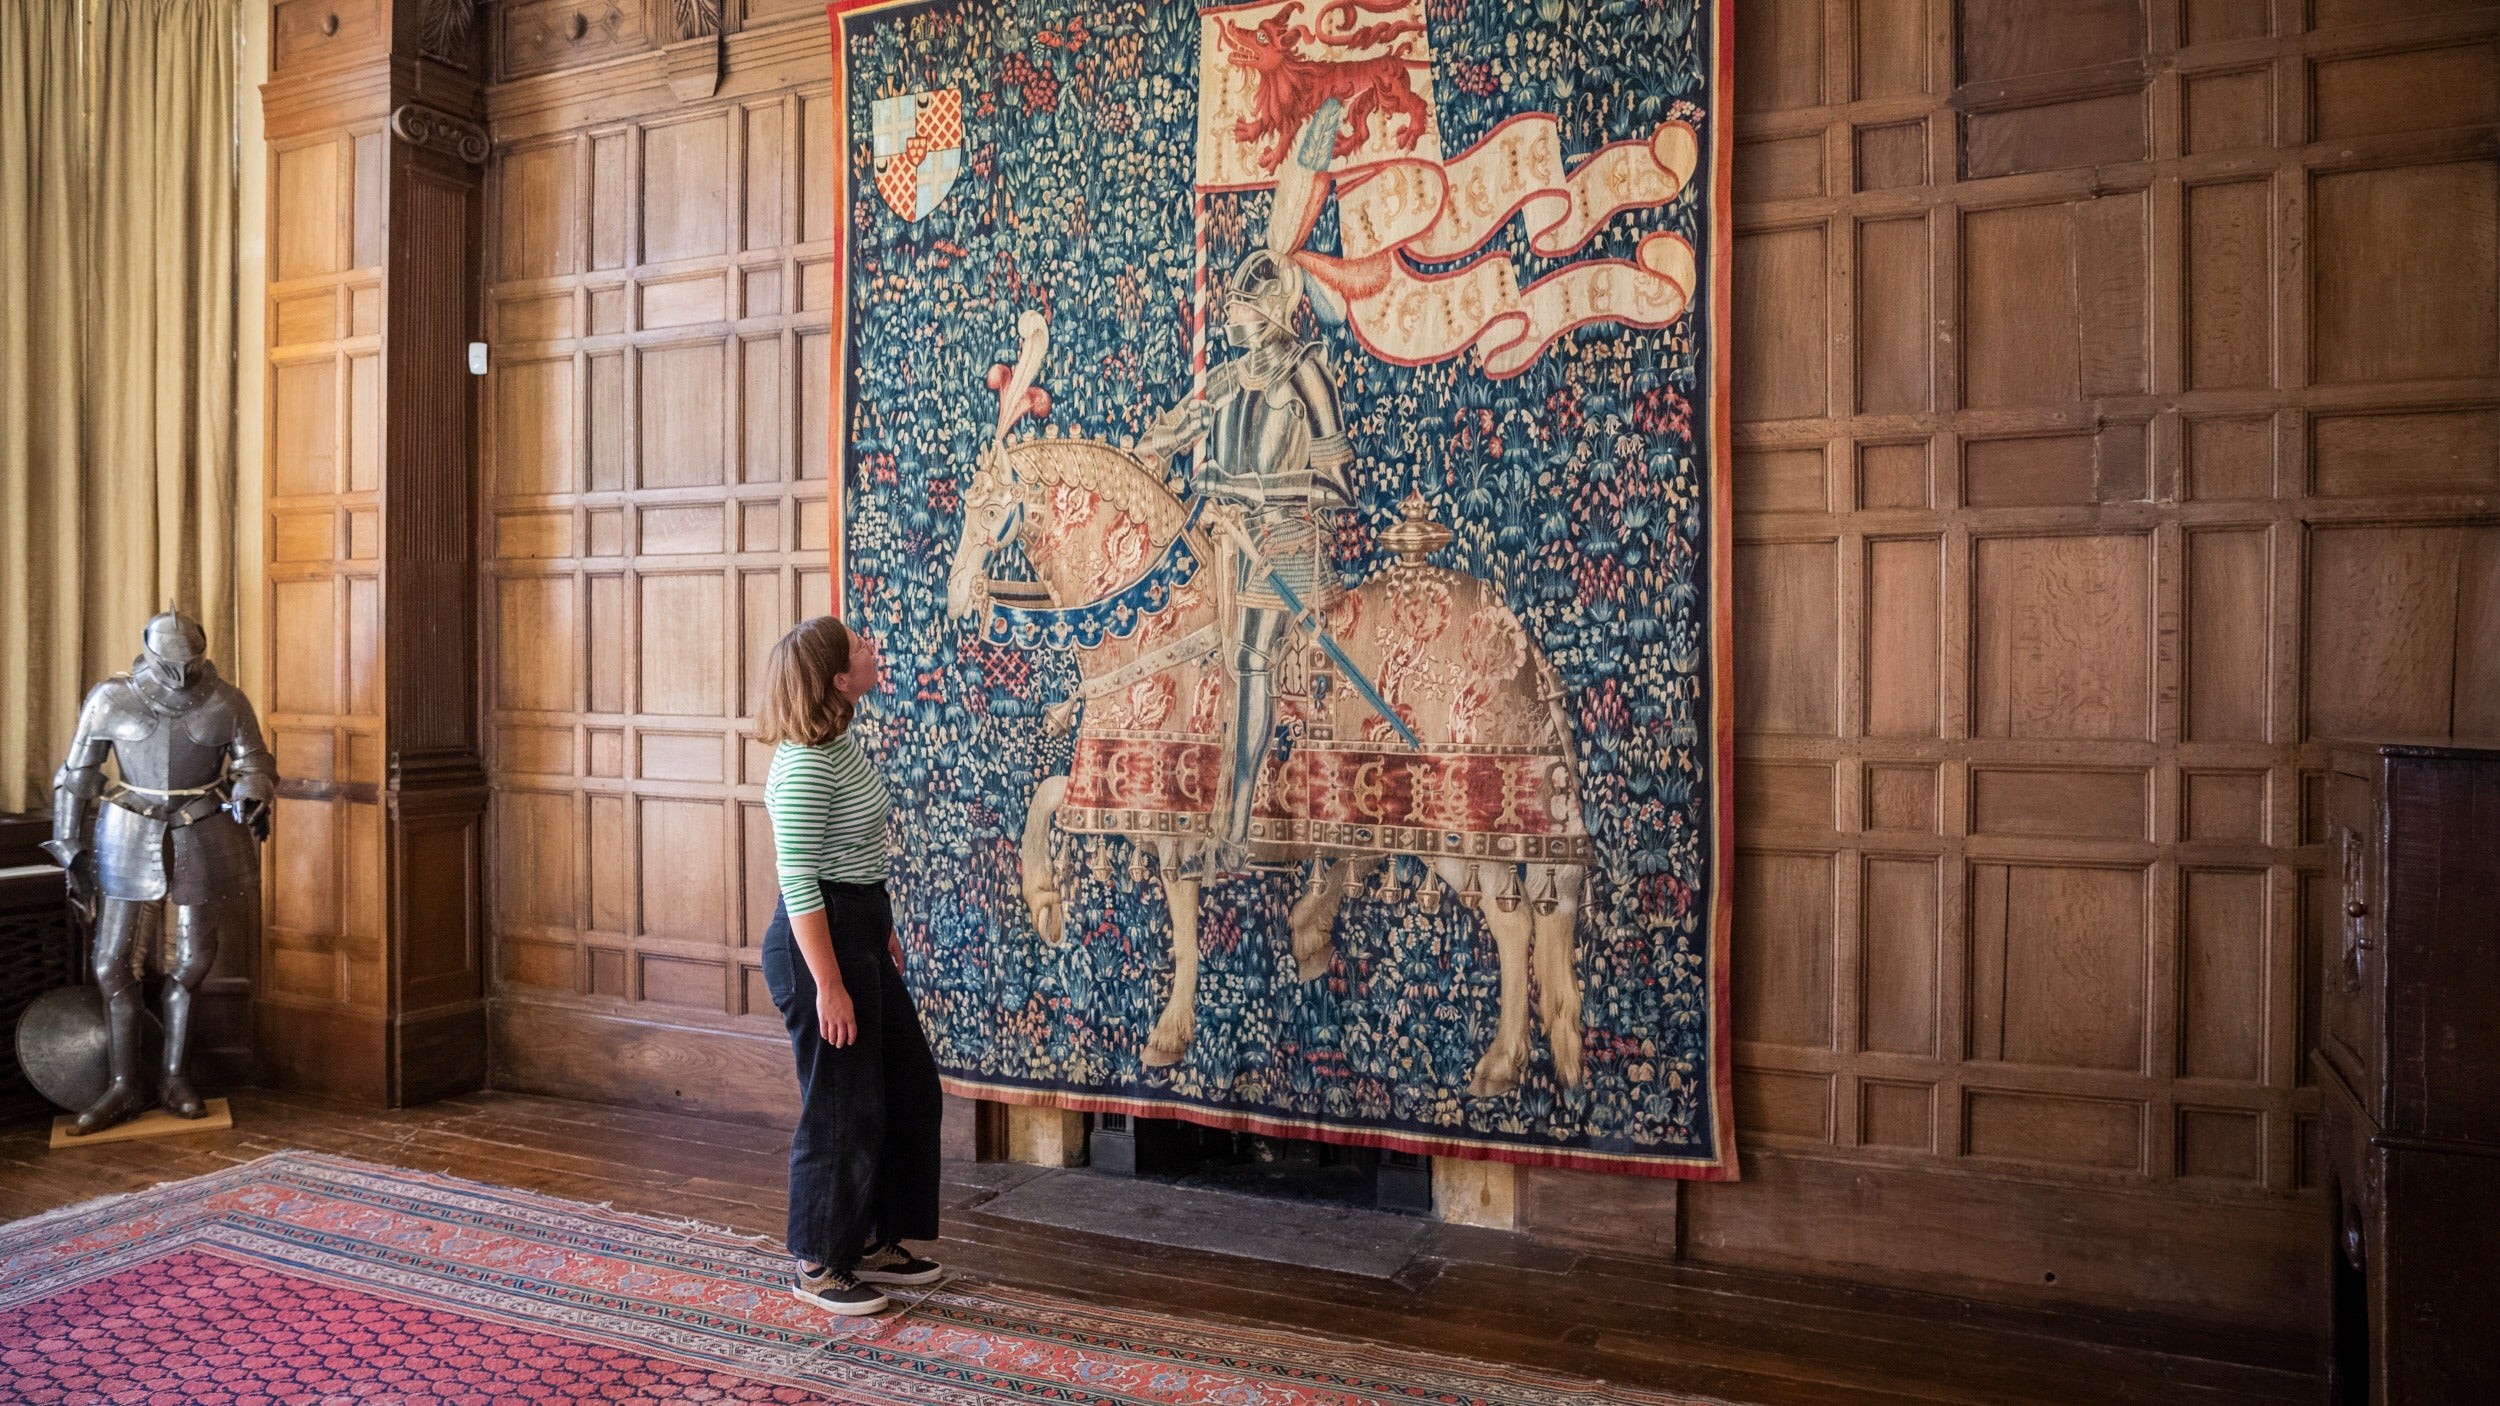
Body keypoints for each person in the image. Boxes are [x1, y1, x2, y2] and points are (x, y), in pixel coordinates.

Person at [755, 616, 943, 1315]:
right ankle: (818, 1261)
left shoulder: (839, 738)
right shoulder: (805, 764)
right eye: (859, 647)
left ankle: (870, 1240)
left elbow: (852, 851)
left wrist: (880, 928)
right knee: (843, 1108)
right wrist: (830, 984)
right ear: (838, 679)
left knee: (908, 1085)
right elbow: (800, 881)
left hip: (857, 926)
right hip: (817, 943)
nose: (871, 648)